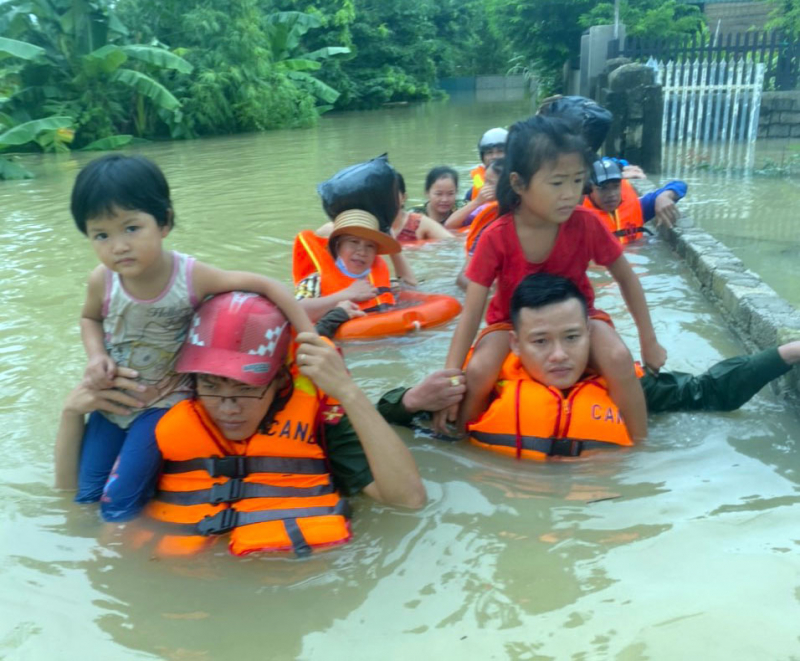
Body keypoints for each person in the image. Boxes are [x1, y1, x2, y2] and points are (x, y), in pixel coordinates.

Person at [55, 292, 426, 556]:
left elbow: (408, 500)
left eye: (245, 388)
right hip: (176, 591)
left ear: (280, 381)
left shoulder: (320, 419)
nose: (227, 407)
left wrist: (348, 391)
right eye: (212, 386)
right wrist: (71, 416)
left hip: (286, 590)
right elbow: (77, 506)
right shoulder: (171, 414)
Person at [71, 154, 317, 522]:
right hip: (113, 401)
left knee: (117, 504)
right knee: (86, 495)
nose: (118, 246)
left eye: (131, 228)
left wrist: (310, 337)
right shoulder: (101, 281)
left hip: (162, 404)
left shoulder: (189, 277)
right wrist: (94, 357)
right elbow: (89, 317)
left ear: (164, 222)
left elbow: (264, 284)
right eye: (101, 235)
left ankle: (122, 561)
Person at [381, 273, 800, 459]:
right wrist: (410, 399)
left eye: (572, 338)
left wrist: (790, 351)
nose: (559, 355)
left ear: (589, 332)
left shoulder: (622, 389)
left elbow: (709, 392)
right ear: (515, 343)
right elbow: (381, 420)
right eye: (540, 342)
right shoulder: (485, 389)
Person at [438, 115, 667, 441]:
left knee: (617, 357)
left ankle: (640, 445)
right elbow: (472, 313)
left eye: (577, 181)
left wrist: (649, 341)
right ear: (518, 184)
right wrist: (451, 380)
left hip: (579, 318)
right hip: (510, 324)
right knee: (478, 370)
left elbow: (628, 279)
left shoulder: (587, 223)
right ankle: (459, 439)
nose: (570, 194)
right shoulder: (496, 236)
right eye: (557, 183)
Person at [294, 209, 403, 329]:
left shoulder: (386, 283)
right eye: (354, 242)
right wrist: (348, 294)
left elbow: (410, 285)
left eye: (370, 246)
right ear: (337, 247)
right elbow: (296, 310)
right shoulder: (315, 281)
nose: (362, 252)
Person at [583, 158, 687, 244]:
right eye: (603, 188)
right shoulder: (576, 218)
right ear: (589, 189)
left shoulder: (638, 208)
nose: (611, 194)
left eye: (616, 187)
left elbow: (680, 185)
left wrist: (665, 196)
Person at [391, 173, 453, 242]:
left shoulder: (419, 223)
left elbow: (452, 242)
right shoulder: (377, 227)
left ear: (403, 197)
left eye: (391, 194)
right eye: (379, 195)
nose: (385, 200)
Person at [465, 127, 508, 201]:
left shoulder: (521, 188)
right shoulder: (471, 194)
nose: (495, 157)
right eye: (489, 152)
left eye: (500, 151)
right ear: (483, 158)